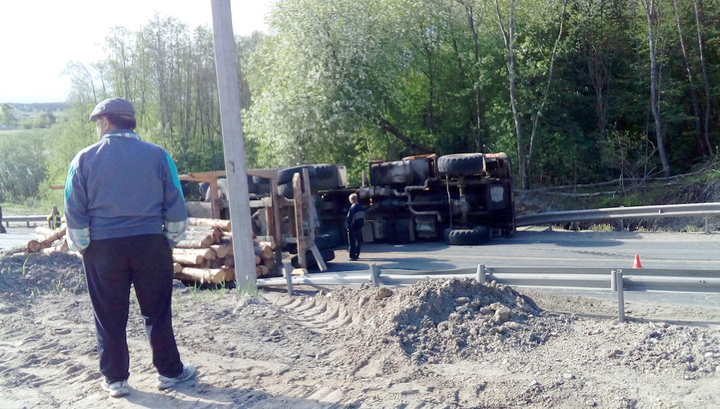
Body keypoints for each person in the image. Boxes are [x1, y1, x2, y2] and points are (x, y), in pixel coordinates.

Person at [64, 97, 195, 398]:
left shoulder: (83, 159)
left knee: (108, 315)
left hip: (103, 248)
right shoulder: (159, 156)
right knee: (157, 312)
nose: (98, 128)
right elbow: (176, 203)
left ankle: (115, 380)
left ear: (107, 122)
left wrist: (83, 246)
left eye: (98, 123)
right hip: (150, 243)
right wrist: (169, 240)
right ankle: (169, 372)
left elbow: (73, 206)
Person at [346, 193, 365, 260]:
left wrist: (348, 226)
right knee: (358, 241)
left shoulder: (352, 208)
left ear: (351, 200)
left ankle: (352, 256)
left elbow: (350, 218)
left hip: (353, 227)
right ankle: (357, 254)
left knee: (352, 241)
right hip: (359, 226)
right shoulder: (361, 207)